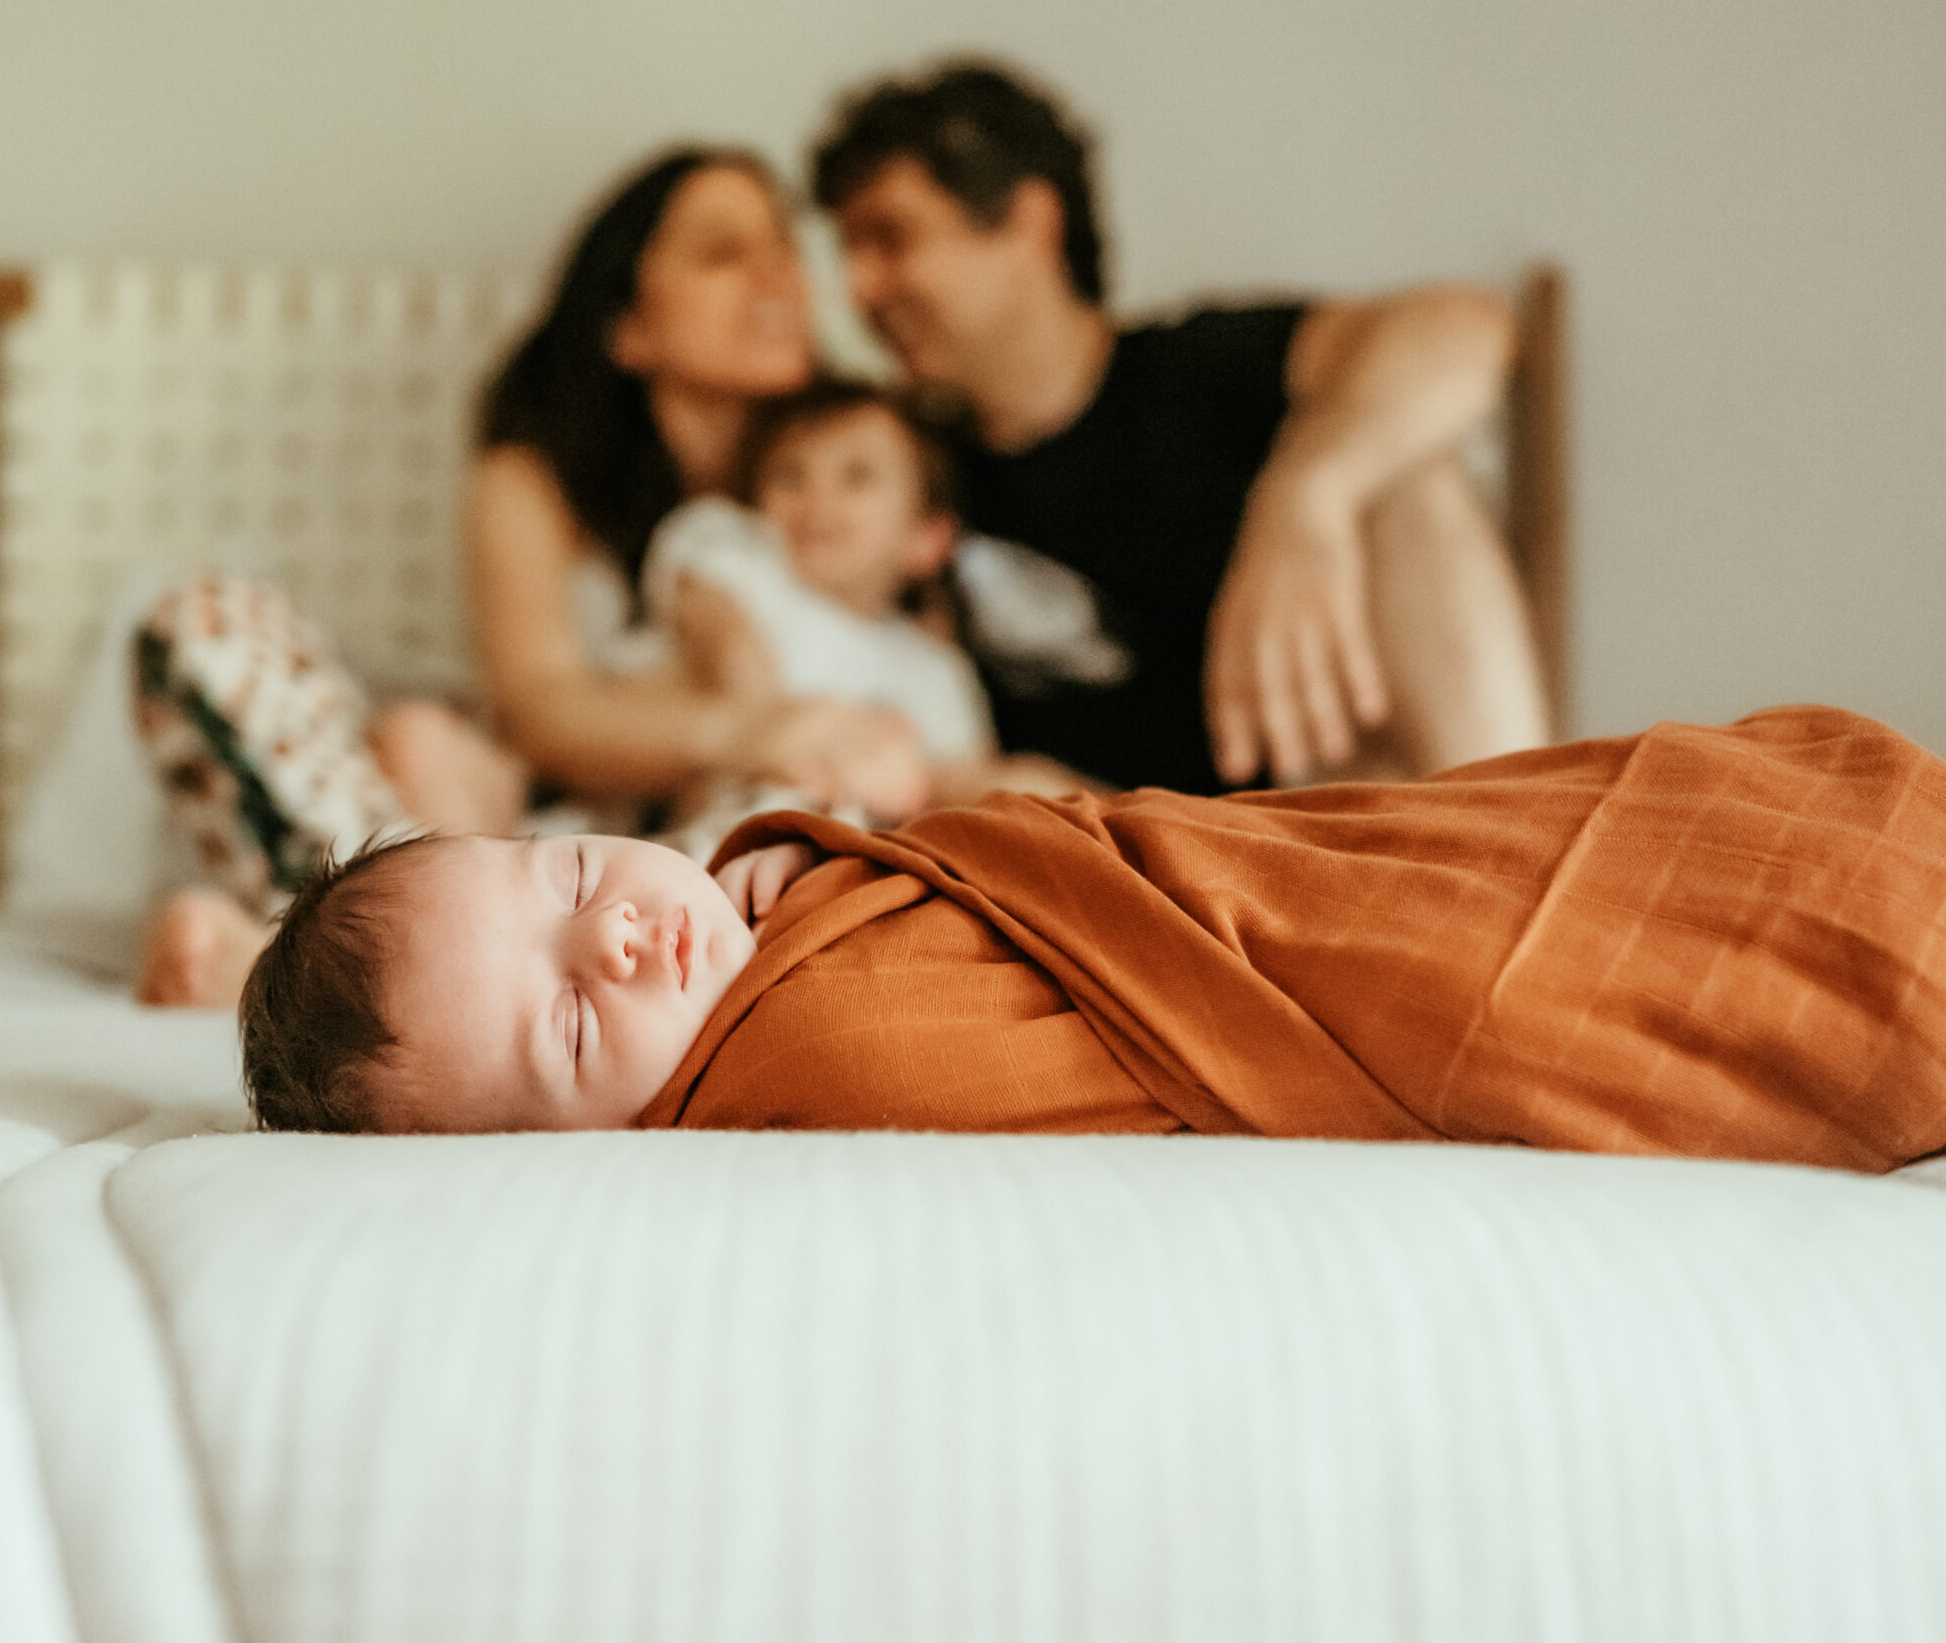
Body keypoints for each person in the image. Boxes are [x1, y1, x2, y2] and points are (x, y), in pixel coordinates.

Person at [236, 706, 1946, 1173]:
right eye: (573, 1035)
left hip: (1235, 863)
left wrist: (791, 866)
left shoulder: (759, 894)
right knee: (1519, 966)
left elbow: (1099, 863)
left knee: (1472, 829)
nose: (622, 946)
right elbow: (983, 1020)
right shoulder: (809, 1055)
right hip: (1271, 974)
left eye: (573, 878)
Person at [134, 147, 939, 1006]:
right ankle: (359, 961)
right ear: (628, 325)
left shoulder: (855, 479)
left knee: (829, 784)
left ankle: (379, 985)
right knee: (215, 627)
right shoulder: (535, 480)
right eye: (722, 253)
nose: (776, 274)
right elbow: (540, 714)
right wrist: (749, 726)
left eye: (783, 246)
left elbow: (907, 692)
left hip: (694, 852)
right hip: (507, 831)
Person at [810, 61, 1553, 795]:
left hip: (1306, 825)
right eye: (850, 252)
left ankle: (1512, 844)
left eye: (890, 238)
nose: (860, 290)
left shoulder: (1196, 369)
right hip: (1096, 859)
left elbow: (1468, 329)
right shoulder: (902, 459)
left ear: (1030, 223)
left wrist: (1304, 497)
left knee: (1406, 465)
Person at [642, 376, 1089, 855]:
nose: (818, 497)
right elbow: (732, 660)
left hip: (853, 853)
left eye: (856, 476)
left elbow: (958, 779)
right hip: (714, 830)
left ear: (926, 537)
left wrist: (1019, 792)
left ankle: (1134, 826)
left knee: (1025, 789)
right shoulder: (738, 555)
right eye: (790, 475)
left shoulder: (933, 666)